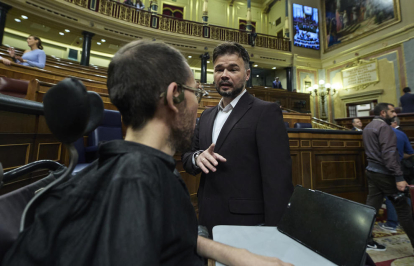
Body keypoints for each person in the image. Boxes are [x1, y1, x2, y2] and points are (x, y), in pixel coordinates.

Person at [2, 41, 292, 266]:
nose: (199, 102)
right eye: (196, 92)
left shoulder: (131, 171)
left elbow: (164, 231)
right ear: (174, 96)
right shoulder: (139, 184)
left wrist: (225, 252)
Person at [182, 42, 293, 235]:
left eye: (233, 69)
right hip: (207, 218)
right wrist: (197, 157)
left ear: (247, 75)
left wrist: (276, 232)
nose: (225, 74)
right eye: (219, 69)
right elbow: (188, 156)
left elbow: (278, 181)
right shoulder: (206, 116)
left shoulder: (265, 112)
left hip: (248, 224)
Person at [363, 103, 414, 252]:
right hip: (384, 173)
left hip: (372, 171)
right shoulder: (385, 128)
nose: (395, 114)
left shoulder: (368, 127)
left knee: (370, 208)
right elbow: (389, 154)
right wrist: (399, 177)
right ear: (383, 113)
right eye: (392, 112)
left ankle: (364, 240)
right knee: (403, 209)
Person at [379, 118, 414, 233]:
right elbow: (410, 152)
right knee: (405, 194)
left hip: (387, 168)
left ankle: (392, 223)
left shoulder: (381, 134)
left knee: (391, 195)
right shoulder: (401, 134)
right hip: (403, 168)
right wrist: (400, 157)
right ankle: (407, 223)